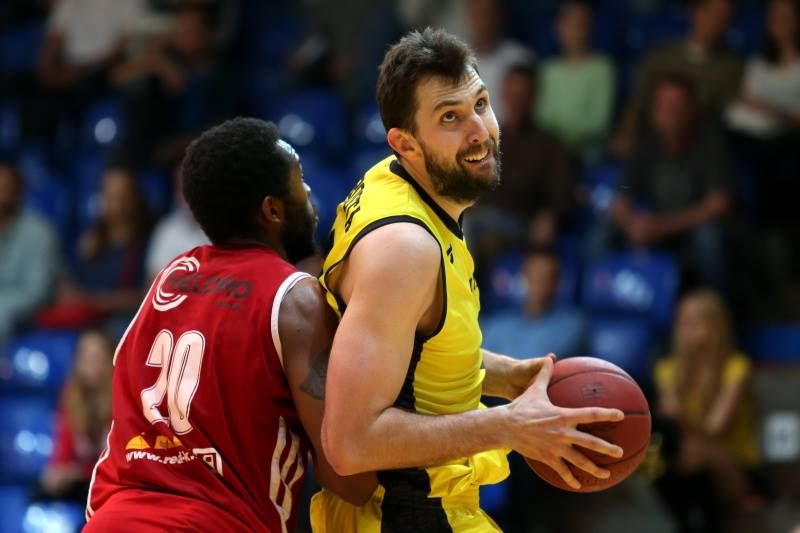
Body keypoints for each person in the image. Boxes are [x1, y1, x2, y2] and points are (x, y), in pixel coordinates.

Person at [313, 28, 624, 532]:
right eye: (450, 118)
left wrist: (506, 375)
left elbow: (407, 352)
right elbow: (349, 443)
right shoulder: (405, 249)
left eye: (480, 104)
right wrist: (508, 426)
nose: (479, 130)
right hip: (404, 515)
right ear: (405, 143)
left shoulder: (395, 180)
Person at [84, 118, 376, 531]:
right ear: (272, 210)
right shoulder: (295, 300)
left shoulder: (169, 277)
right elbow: (349, 477)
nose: (310, 192)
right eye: (299, 181)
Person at [600, 74, 733, 291]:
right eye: (663, 105)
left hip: (688, 229)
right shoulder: (644, 146)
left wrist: (663, 226)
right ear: (653, 110)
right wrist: (630, 223)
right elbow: (623, 193)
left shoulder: (711, 145)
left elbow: (719, 204)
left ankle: (713, 299)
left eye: (677, 105)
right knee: (601, 230)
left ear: (691, 110)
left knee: (709, 237)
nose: (669, 112)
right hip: (656, 228)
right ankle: (599, 295)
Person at [653, 289, 763, 533]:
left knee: (698, 451)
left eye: (695, 322)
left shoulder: (736, 367)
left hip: (736, 466)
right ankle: (687, 520)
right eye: (682, 322)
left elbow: (715, 429)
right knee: (651, 454)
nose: (686, 330)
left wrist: (679, 419)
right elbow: (669, 426)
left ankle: (694, 522)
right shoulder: (667, 369)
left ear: (716, 326)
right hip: (684, 460)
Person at [466, 63, 576, 276]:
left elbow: (563, 192)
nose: (517, 101)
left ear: (534, 98)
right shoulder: (486, 139)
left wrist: (551, 215)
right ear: (503, 97)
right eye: (512, 94)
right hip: (479, 218)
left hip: (520, 224)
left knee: (474, 237)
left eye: (523, 95)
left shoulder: (549, 145)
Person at [613, 0, 742, 158]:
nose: (716, 23)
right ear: (696, 13)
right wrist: (627, 132)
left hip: (700, 149)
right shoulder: (661, 57)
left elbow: (727, 114)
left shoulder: (732, 68)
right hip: (653, 142)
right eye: (711, 14)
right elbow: (638, 102)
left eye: (724, 18)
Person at [36, 166, 152, 332]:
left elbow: (144, 297)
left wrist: (93, 301)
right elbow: (73, 282)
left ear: (136, 198)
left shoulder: (148, 243)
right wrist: (67, 289)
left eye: (123, 195)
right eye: (109, 195)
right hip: (84, 317)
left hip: (120, 321)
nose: (116, 203)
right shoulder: (91, 240)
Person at [38, 330, 114, 503]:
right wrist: (57, 472)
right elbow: (63, 449)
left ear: (111, 360)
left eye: (98, 357)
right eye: (85, 356)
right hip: (80, 481)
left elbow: (119, 460)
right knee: (39, 492)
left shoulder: (122, 396)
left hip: (109, 481)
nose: (91, 364)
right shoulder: (69, 395)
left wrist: (78, 472)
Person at [535, 0, 615, 158]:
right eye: (571, 24)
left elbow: (599, 121)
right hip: (551, 150)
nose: (578, 31)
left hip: (588, 152)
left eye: (583, 25)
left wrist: (569, 139)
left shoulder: (602, 68)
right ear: (558, 28)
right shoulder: (548, 70)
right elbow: (542, 116)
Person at [482, 246, 586, 359]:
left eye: (546, 277)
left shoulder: (572, 326)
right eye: (533, 276)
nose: (538, 284)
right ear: (522, 278)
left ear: (557, 283)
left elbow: (539, 361)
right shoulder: (497, 325)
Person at [0, 161, 60, 351]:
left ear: (19, 192)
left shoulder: (39, 233)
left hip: (25, 316)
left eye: (7, 188)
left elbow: (37, 292)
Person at [145, 166, 208, 283]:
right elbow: (153, 281)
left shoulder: (224, 230)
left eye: (194, 186)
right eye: (182, 188)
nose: (189, 194)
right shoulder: (166, 229)